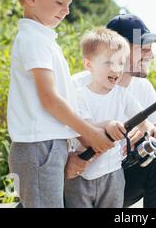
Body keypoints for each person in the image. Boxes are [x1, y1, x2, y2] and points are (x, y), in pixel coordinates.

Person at [7, 0, 113, 208]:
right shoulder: (33, 39)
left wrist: (81, 135)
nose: (66, 10)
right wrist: (90, 134)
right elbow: (50, 100)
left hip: (46, 146)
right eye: (59, 2)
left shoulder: (43, 38)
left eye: (69, 4)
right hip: (38, 149)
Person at [67, 13, 156, 208]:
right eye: (144, 48)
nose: (151, 55)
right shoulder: (75, 86)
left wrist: (151, 133)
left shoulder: (143, 87)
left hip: (116, 178)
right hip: (75, 180)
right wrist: (66, 163)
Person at [65, 27, 151, 208]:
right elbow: (87, 131)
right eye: (109, 63)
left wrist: (147, 131)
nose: (117, 69)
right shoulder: (79, 96)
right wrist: (108, 125)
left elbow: (143, 120)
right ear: (89, 64)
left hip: (113, 175)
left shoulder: (123, 94)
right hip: (81, 176)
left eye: (121, 63)